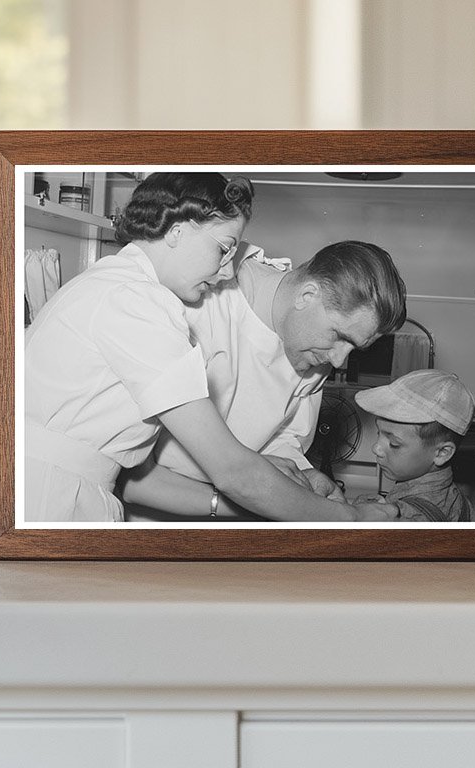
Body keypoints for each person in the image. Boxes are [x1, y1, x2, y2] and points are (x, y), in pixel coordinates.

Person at [24, 171, 393, 524]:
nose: (229, 272)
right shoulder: (134, 300)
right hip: (49, 494)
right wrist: (352, 518)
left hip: (70, 489)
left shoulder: (120, 287)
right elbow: (233, 471)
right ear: (177, 232)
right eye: (223, 249)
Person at [120, 240, 408, 515]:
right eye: (339, 337)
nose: (338, 360)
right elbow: (132, 476)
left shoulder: (314, 348)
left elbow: (283, 438)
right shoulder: (203, 300)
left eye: (353, 347)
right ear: (307, 295)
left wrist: (302, 478)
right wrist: (272, 501)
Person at [351, 369, 475, 522]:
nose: (376, 448)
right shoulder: (461, 502)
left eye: (394, 443)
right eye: (379, 433)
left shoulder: (407, 520)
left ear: (442, 453)